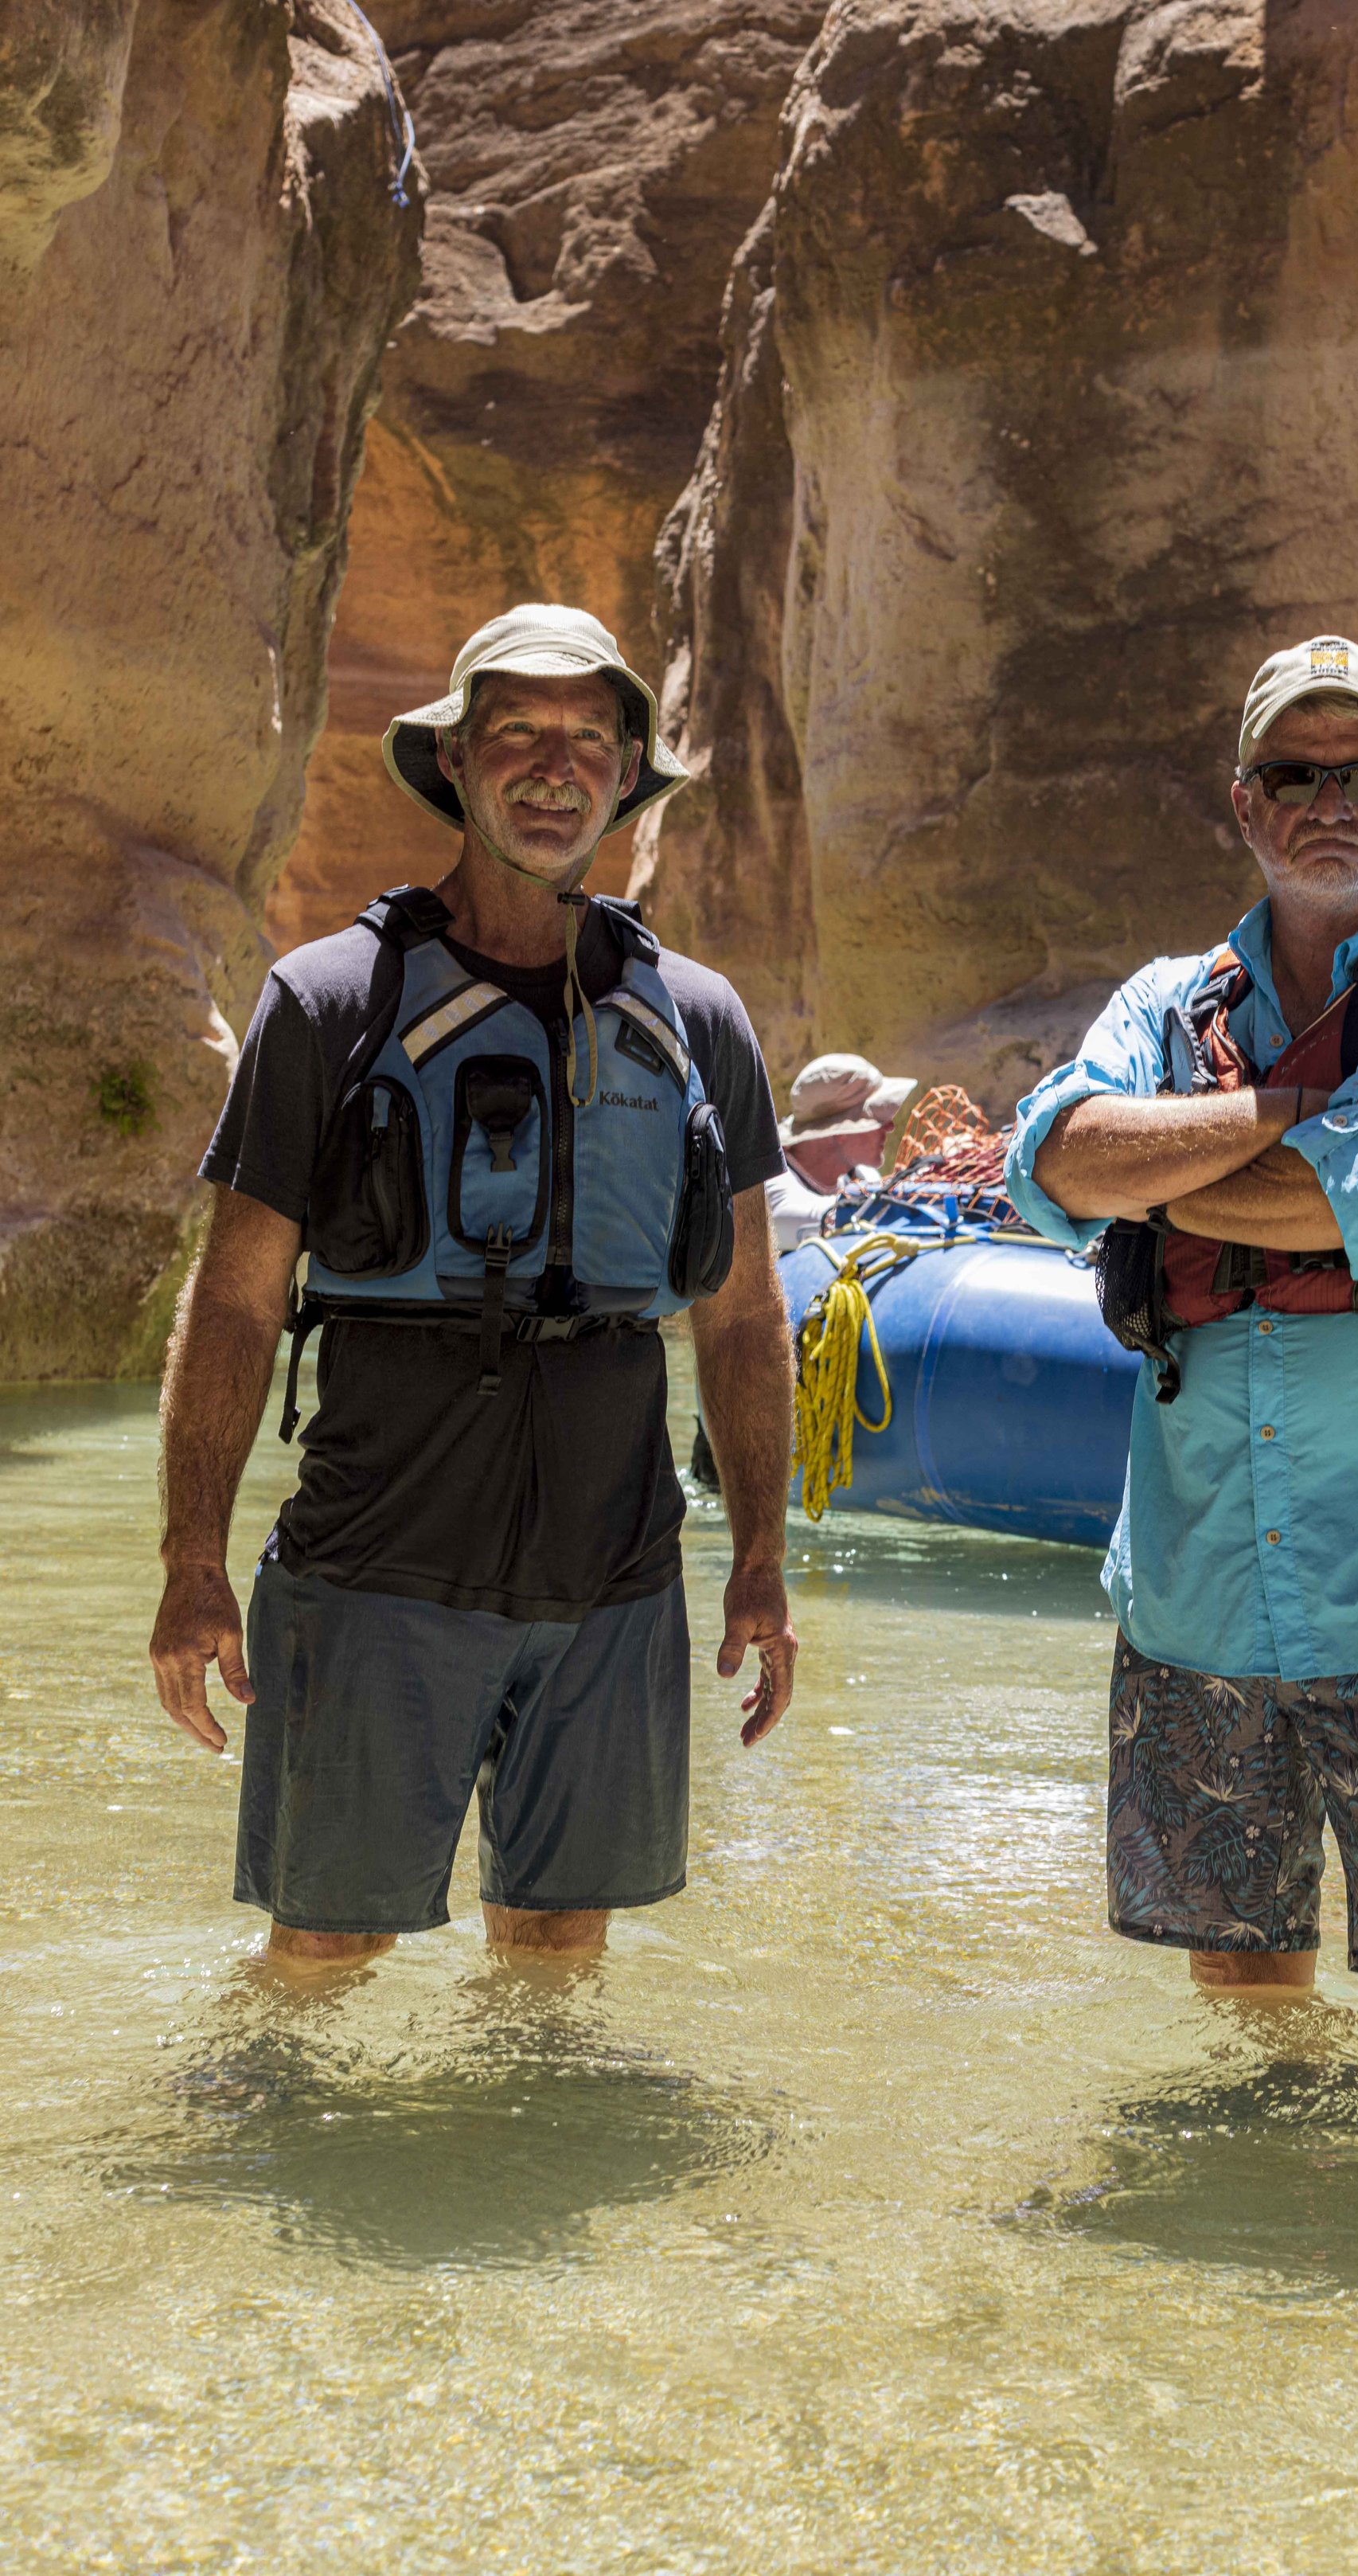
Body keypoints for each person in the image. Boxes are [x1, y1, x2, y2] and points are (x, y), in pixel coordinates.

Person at [148, 604, 799, 1971]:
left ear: (627, 774)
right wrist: (190, 1560)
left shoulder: (701, 1021)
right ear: (455, 763)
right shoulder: (327, 1001)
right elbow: (236, 1301)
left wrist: (758, 1561)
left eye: (589, 739)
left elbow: (739, 1314)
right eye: (516, 733)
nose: (554, 766)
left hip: (612, 1567)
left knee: (560, 1955)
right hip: (378, 1552)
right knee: (323, 1955)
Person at [1005, 635, 1358, 2050]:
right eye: (1295, 773)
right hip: (1199, 1591)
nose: (1334, 799)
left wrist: (1186, 1157)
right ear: (1246, 802)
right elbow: (1059, 1162)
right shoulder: (1167, 999)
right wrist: (1296, 1110)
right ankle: (1283, 2225)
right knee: (1239, 1977)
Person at [764, 1053, 918, 1253]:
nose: (889, 1127)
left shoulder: (862, 1175)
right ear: (841, 1131)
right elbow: (801, 1218)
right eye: (878, 1118)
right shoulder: (773, 1186)